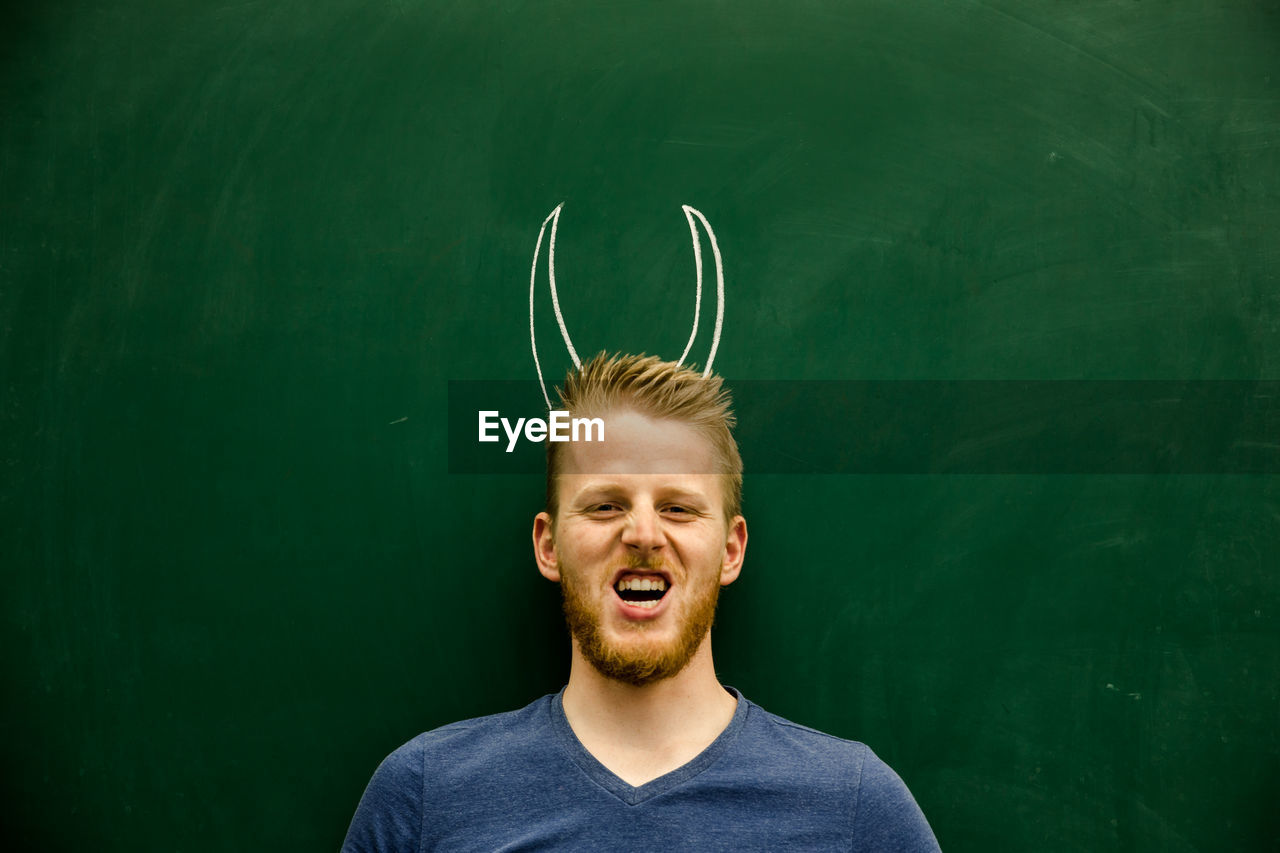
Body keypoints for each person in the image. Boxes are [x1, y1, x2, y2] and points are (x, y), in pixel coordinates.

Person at [343, 353, 941, 852]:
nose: (644, 534)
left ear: (731, 550)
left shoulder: (855, 810)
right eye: (605, 504)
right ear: (549, 545)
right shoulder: (426, 797)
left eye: (679, 507)